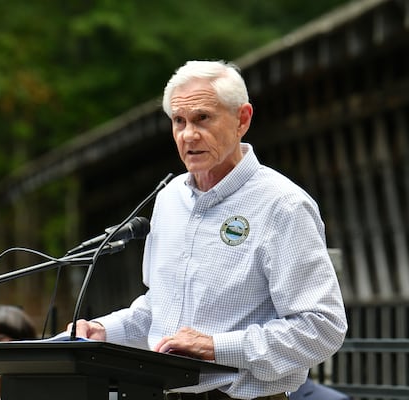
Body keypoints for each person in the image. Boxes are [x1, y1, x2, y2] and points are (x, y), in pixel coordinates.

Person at [68, 60, 348, 400]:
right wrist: (103, 331)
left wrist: (217, 347)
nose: (188, 134)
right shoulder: (169, 200)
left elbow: (322, 327)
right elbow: (161, 310)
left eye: (203, 118)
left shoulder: (283, 205)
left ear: (242, 119)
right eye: (179, 121)